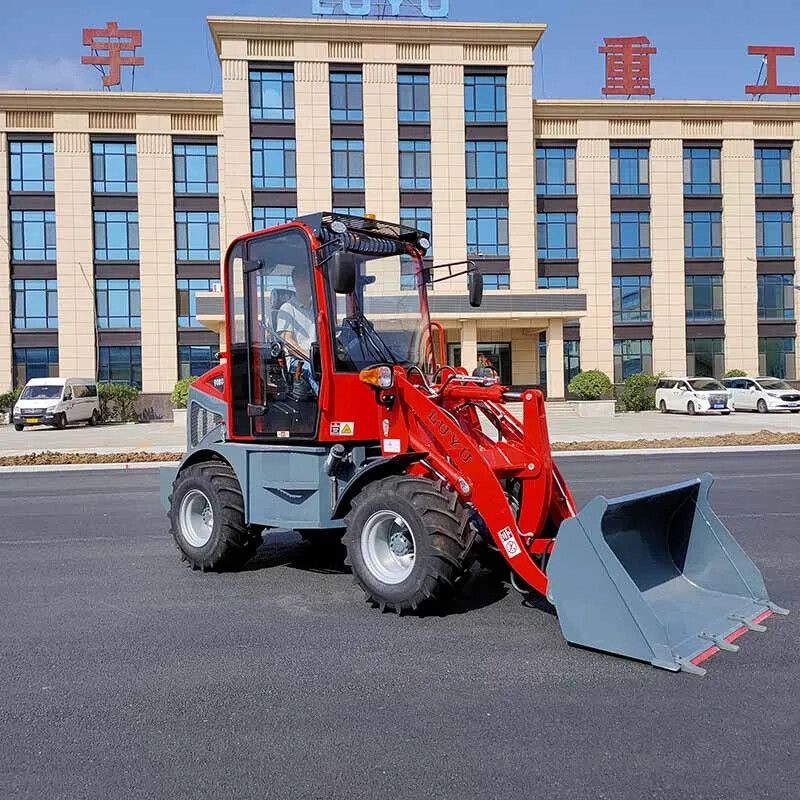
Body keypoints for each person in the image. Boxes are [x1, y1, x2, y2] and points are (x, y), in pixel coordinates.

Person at [276, 266, 319, 396]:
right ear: (295, 282)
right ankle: (330, 405)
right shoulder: (287, 309)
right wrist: (309, 357)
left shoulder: (317, 308)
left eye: (310, 279)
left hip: (317, 357)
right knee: (313, 369)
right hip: (298, 360)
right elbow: (288, 343)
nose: (309, 283)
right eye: (305, 279)